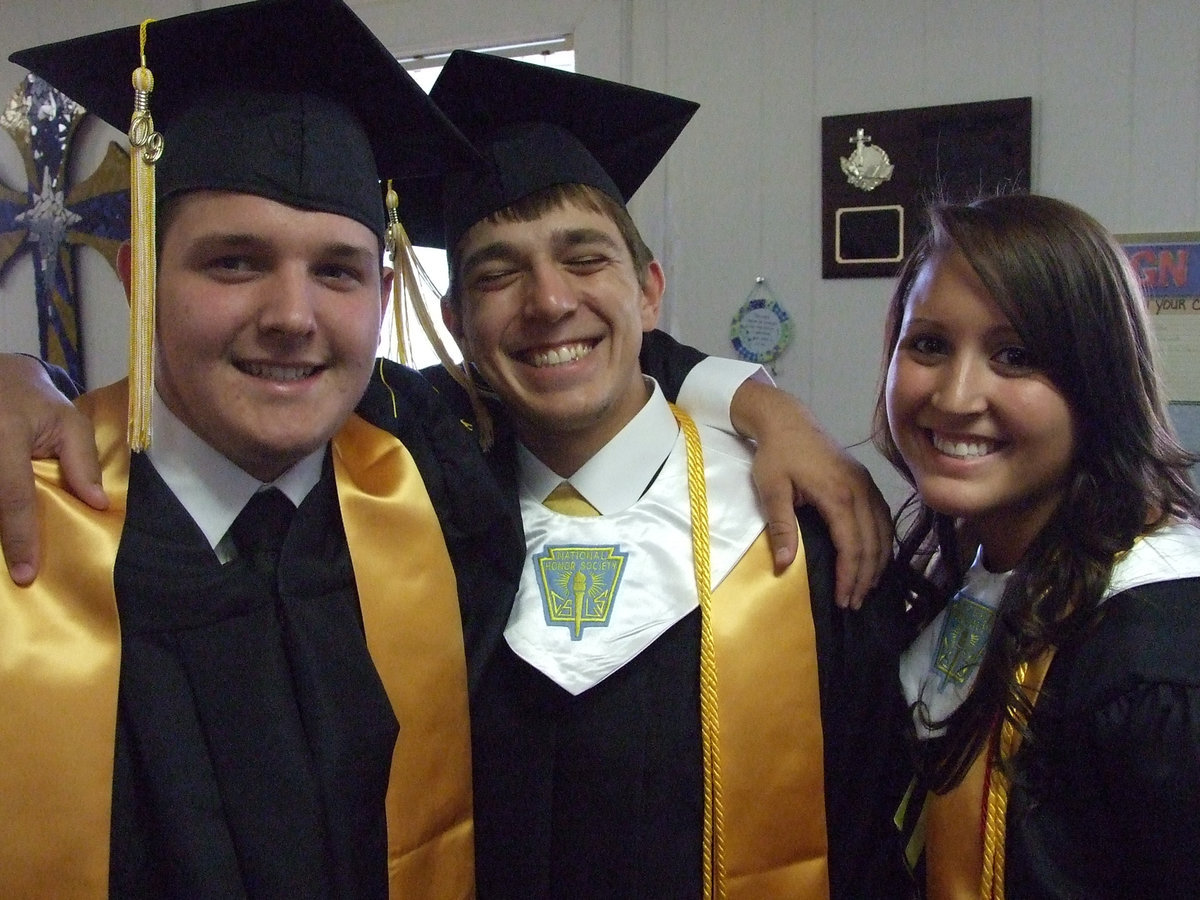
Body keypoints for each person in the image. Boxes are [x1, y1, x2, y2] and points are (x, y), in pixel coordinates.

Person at [0, 0, 525, 895]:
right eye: (234, 262)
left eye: (336, 271)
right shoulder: (27, 531)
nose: (292, 318)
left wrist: (743, 394)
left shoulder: (443, 494)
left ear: (383, 291)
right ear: (141, 278)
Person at [414, 50, 910, 899]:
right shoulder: (414, 526)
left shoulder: (801, 533)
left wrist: (755, 398)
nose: (547, 302)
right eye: (497, 273)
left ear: (648, 292)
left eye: (584, 258)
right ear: (458, 323)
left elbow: (869, 832)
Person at [877, 193, 1200, 898]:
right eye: (929, 345)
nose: (957, 397)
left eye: (1015, 355)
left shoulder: (1160, 657)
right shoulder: (963, 574)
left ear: (1100, 382)